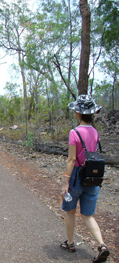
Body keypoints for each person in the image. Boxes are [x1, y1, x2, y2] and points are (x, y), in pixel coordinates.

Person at [60, 95, 110, 263]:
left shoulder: (74, 132)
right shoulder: (95, 131)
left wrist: (66, 182)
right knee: (88, 215)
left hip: (77, 176)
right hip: (92, 176)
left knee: (70, 211)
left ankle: (71, 243)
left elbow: (71, 160)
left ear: (79, 113)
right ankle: (102, 245)